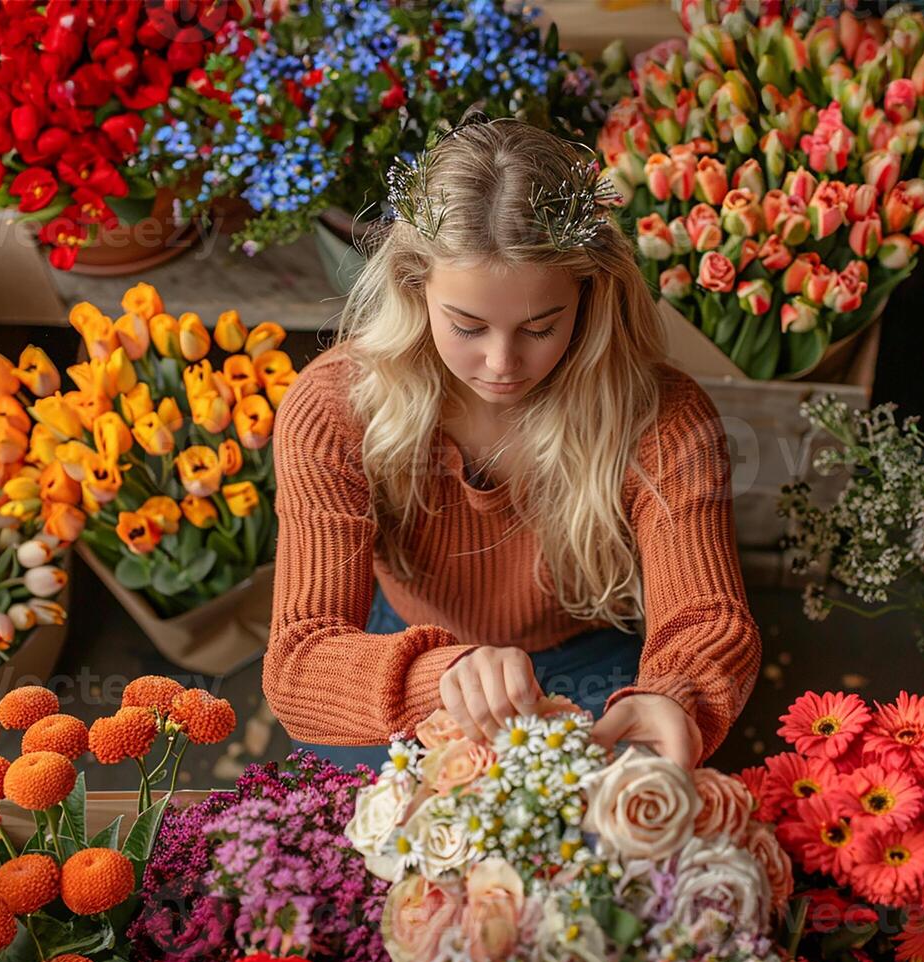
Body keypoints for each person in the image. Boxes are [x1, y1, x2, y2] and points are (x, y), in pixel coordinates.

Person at [262, 118, 759, 774]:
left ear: (588, 294)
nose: (502, 363)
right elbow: (300, 664)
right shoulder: (333, 409)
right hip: (400, 656)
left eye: (540, 327)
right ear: (415, 289)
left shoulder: (664, 420)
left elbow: (706, 617)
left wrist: (676, 695)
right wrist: (443, 676)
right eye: (468, 326)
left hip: (587, 664)